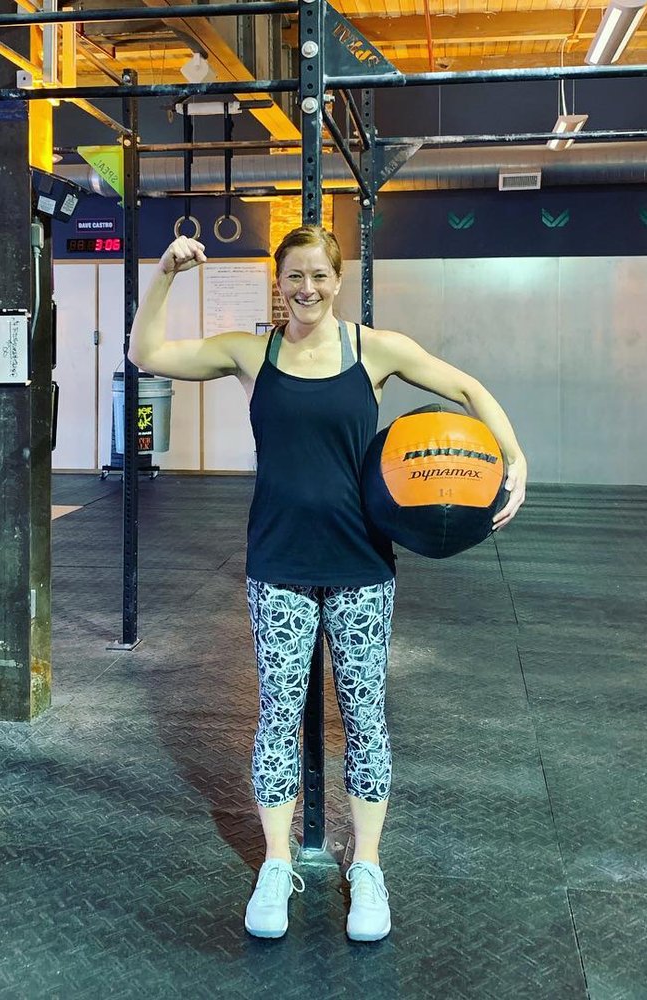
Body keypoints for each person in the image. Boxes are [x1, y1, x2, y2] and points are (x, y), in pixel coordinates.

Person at [128, 225, 527, 942]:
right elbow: (146, 353)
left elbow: (465, 387)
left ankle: (366, 864)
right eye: (293, 276)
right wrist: (164, 274)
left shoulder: (373, 350)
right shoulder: (252, 353)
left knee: (366, 717)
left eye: (318, 275)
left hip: (360, 564)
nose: (306, 288)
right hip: (279, 563)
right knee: (278, 717)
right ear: (277, 284)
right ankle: (277, 863)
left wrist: (514, 456)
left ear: (338, 280)